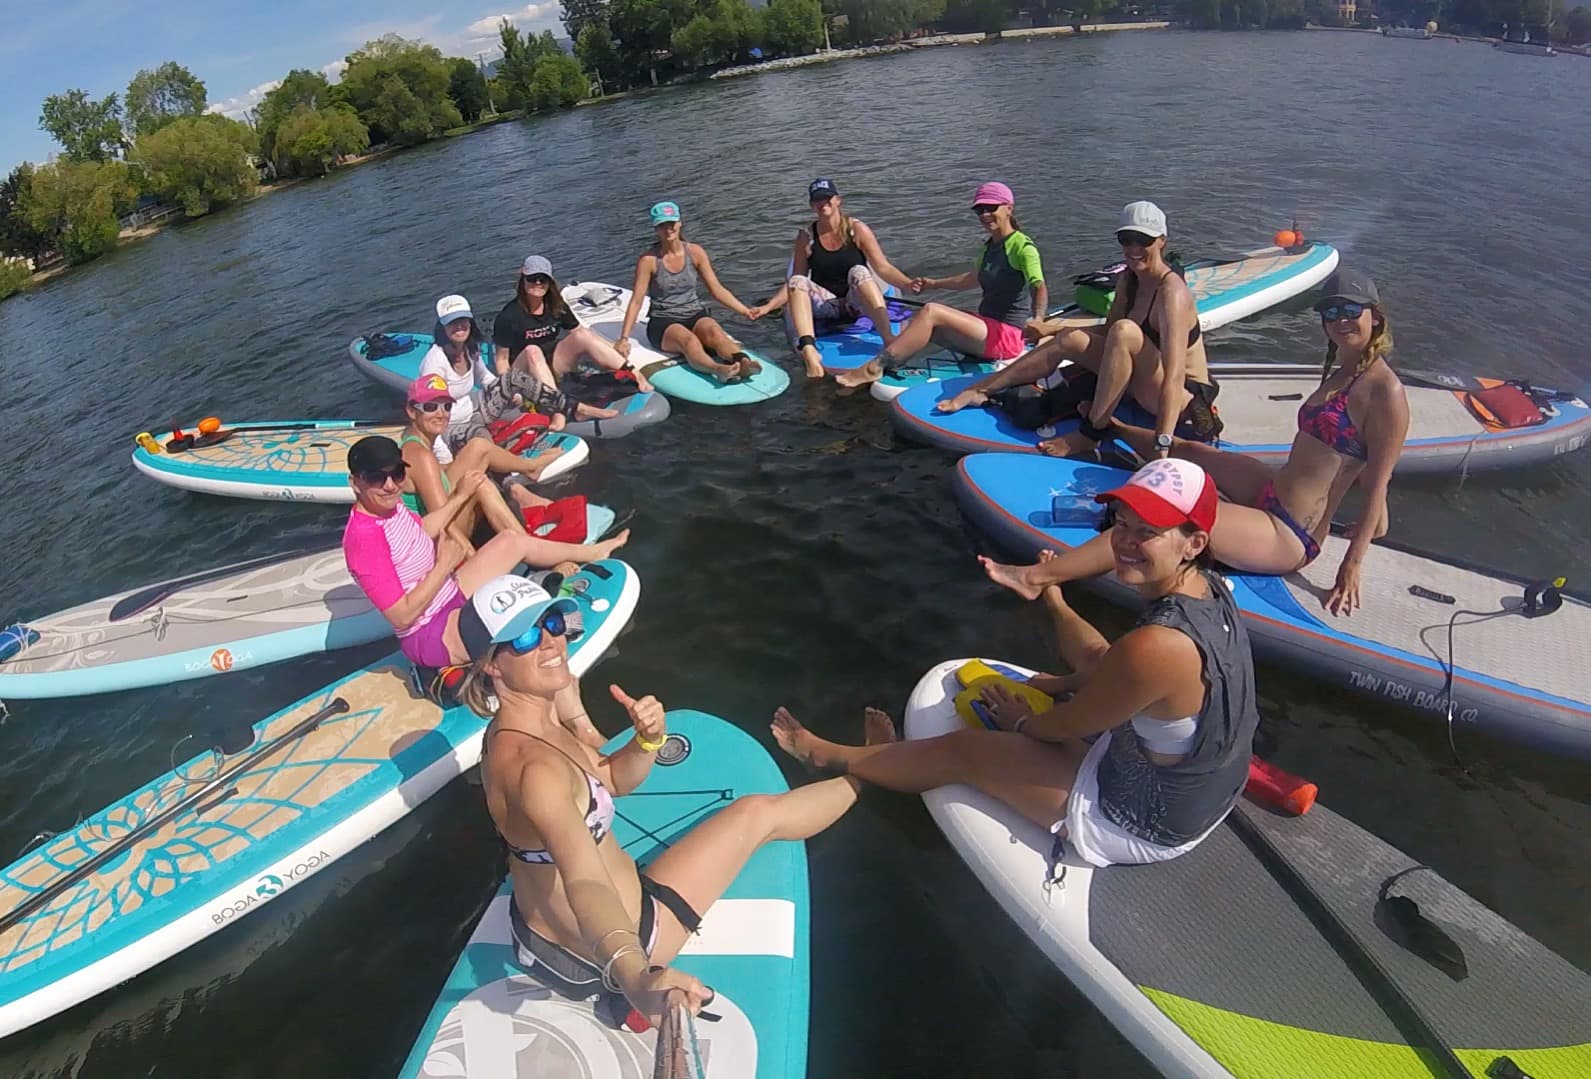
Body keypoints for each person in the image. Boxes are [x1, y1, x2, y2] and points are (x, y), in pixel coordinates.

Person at [771, 458, 1260, 869]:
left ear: (1194, 543)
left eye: (1148, 532)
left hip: (1144, 818)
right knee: (1102, 663)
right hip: (1205, 791)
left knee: (964, 750)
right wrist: (1060, 654)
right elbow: (1114, 672)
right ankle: (1056, 603)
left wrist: (1023, 719)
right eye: (1122, 524)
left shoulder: (1159, 644)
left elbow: (1065, 722)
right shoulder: (1211, 592)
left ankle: (824, 754)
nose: (1125, 542)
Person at [459, 574, 868, 1024]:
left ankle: (868, 769)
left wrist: (647, 741)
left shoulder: (519, 728)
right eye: (525, 636)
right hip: (621, 939)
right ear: (491, 666)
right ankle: (871, 774)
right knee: (756, 814)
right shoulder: (535, 770)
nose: (551, 641)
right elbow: (585, 881)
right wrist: (636, 978)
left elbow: (612, 778)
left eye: (552, 621)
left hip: (543, 932)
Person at [980, 268, 1408, 618]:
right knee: (1191, 451)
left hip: (1290, 533)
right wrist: (1380, 525)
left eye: (1351, 310)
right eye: (1331, 311)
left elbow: (1378, 480)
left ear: (1376, 316)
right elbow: (1358, 459)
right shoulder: (1342, 368)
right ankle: (1112, 428)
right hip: (1274, 488)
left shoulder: (1384, 391)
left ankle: (1034, 580)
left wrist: (1352, 564)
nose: (1339, 320)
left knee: (1168, 522)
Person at [936, 201, 1223, 457]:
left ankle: (1090, 434)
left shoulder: (1172, 293)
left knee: (1124, 330)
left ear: (1161, 241)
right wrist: (1053, 331)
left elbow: (1172, 376)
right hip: (1142, 378)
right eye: (1126, 239)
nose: (1133, 249)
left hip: (1181, 396)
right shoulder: (1129, 280)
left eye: (1143, 240)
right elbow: (1107, 336)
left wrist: (1163, 445)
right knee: (1072, 338)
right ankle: (981, 389)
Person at [341, 435, 629, 671]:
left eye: (397, 473)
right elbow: (401, 617)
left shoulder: (389, 507)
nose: (390, 485)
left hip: (447, 591)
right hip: (430, 632)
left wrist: (461, 496)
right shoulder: (364, 540)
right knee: (529, 638)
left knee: (511, 541)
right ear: (356, 483)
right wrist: (444, 565)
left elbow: (423, 528)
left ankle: (591, 552)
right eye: (377, 478)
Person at [834, 182, 1048, 389]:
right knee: (920, 325)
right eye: (979, 209)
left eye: (991, 208)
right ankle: (892, 364)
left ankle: (875, 368)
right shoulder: (990, 247)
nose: (984, 214)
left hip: (1008, 337)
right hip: (987, 327)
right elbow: (971, 279)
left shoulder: (1023, 246)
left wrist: (1038, 319)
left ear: (1009, 208)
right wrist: (934, 284)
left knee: (932, 311)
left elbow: (1038, 286)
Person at [748, 178, 915, 379]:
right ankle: (809, 350)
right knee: (798, 281)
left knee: (859, 271)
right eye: (817, 200)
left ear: (837, 200)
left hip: (856, 301)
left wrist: (907, 283)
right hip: (827, 305)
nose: (823, 203)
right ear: (812, 205)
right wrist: (770, 306)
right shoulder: (806, 237)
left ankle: (889, 342)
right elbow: (795, 280)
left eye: (827, 198)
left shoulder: (856, 229)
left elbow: (882, 267)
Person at [423, 293, 616, 439]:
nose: (459, 328)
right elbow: (430, 412)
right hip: (456, 424)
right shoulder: (435, 362)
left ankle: (572, 408)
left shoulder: (469, 348)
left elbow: (485, 378)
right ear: (442, 327)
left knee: (513, 378)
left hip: (478, 407)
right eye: (452, 324)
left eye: (463, 321)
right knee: (484, 442)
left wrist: (510, 391)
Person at [615, 201, 765, 384]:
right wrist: (624, 338)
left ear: (679, 223)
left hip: (694, 312)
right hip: (663, 321)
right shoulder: (648, 260)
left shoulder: (695, 252)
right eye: (662, 225)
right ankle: (719, 369)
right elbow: (637, 300)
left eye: (671, 223)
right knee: (689, 341)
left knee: (715, 332)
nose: (668, 229)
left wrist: (745, 311)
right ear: (656, 228)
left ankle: (743, 362)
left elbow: (716, 289)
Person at [397, 374, 572, 524]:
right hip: (438, 532)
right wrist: (468, 555)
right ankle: (526, 544)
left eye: (447, 406)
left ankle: (530, 470)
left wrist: (455, 466)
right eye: (430, 407)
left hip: (438, 516)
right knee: (482, 483)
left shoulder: (413, 443)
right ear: (412, 412)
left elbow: (429, 477)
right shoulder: (420, 455)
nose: (441, 413)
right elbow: (442, 522)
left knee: (477, 447)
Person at [494, 257, 654, 394]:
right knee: (533, 351)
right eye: (532, 278)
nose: (537, 283)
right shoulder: (509, 316)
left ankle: (634, 372)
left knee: (582, 335)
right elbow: (502, 360)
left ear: (549, 282)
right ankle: (556, 402)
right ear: (523, 280)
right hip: (524, 370)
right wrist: (510, 389)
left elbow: (580, 333)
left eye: (542, 279)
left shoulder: (556, 306)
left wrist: (613, 348)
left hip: (553, 363)